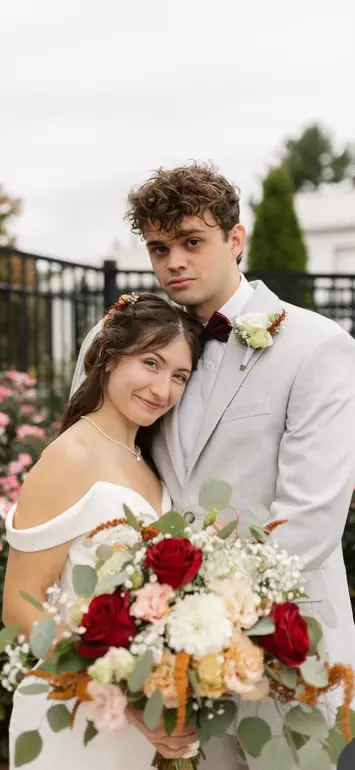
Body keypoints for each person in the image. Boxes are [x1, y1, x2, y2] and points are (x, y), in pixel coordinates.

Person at [71, 163, 355, 769]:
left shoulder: (317, 346)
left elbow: (309, 521)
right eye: (159, 247)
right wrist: (158, 645)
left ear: (235, 239)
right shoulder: (139, 351)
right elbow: (95, 456)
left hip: (285, 649)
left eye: (192, 242)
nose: (174, 261)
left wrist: (200, 625)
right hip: (167, 661)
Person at [3, 292, 204, 770]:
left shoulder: (148, 459)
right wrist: (122, 697)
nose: (163, 389)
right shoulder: (71, 455)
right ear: (110, 358)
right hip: (73, 714)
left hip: (135, 724)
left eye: (179, 376)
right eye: (151, 363)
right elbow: (19, 605)